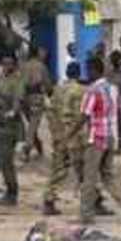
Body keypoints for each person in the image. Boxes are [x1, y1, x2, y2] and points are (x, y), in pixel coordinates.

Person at [80, 56, 121, 224]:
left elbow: (84, 115)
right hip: (110, 137)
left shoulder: (92, 90)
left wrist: (71, 133)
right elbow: (120, 111)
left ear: (94, 70)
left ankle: (86, 214)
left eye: (89, 70)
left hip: (96, 137)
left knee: (89, 177)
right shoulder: (112, 89)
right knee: (108, 177)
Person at [43, 62, 86, 216]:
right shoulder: (81, 91)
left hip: (60, 135)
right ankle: (93, 200)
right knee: (84, 170)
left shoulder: (57, 90)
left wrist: (56, 133)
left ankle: (49, 199)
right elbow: (82, 116)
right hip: (75, 136)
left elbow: (50, 112)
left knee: (59, 168)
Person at [0, 54, 25, 206]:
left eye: (10, 64)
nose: (7, 67)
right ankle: (4, 190)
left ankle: (12, 192)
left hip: (9, 125)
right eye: (4, 63)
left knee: (6, 161)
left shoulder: (17, 81)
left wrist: (12, 113)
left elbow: (18, 102)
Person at [20, 45, 53, 161]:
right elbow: (48, 84)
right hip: (36, 97)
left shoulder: (23, 66)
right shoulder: (41, 66)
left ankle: (38, 147)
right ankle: (27, 148)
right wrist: (50, 95)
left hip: (24, 98)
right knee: (33, 125)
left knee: (31, 126)